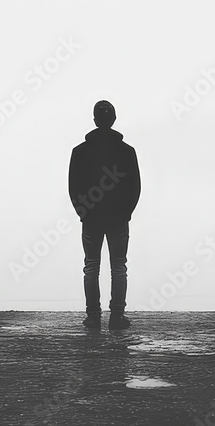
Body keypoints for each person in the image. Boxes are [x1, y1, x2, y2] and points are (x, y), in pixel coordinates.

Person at [68, 100, 140, 329]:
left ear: (95, 120)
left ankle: (93, 316)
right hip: (118, 218)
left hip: (91, 218)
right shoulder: (127, 152)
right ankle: (117, 317)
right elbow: (135, 187)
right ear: (114, 119)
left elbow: (73, 187)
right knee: (118, 266)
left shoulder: (80, 152)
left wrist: (83, 212)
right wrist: (126, 213)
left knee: (91, 265)